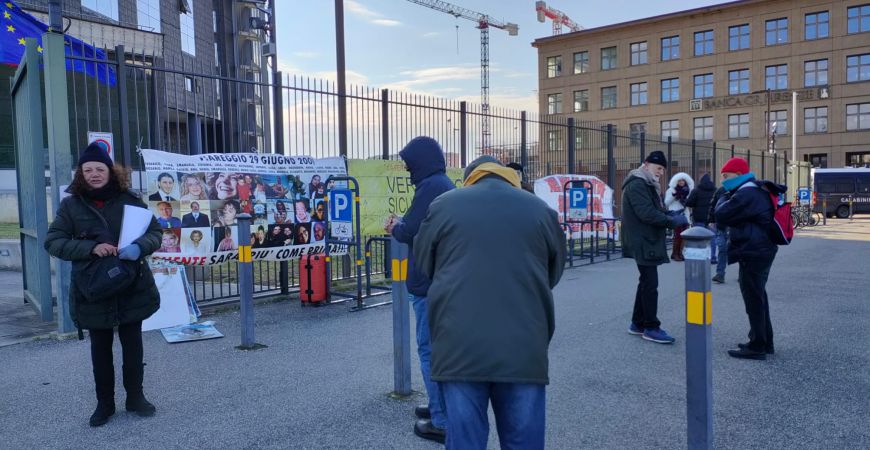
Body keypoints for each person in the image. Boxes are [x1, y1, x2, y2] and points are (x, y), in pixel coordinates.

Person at [413, 156, 566, 449]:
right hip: (524, 347)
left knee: (466, 440)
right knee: (524, 440)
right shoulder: (540, 210)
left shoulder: (444, 206)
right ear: (509, 177)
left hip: (458, 346)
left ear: (470, 178)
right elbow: (553, 272)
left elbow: (424, 263)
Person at [44, 143, 162, 427]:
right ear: (80, 174)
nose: (94, 174)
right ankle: (105, 404)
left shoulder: (130, 200)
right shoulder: (70, 206)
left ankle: (135, 397)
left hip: (130, 284)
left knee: (133, 347)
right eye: (88, 170)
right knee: (100, 350)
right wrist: (90, 247)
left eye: (100, 169)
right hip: (93, 289)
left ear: (111, 172)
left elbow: (155, 232)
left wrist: (140, 247)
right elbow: (53, 242)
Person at [383, 136, 455, 443]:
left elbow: (409, 230)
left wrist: (393, 227)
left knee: (430, 353)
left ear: (421, 162)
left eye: (410, 163)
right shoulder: (441, 184)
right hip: (440, 281)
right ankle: (440, 407)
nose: (408, 169)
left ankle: (441, 421)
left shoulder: (431, 187)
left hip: (428, 285)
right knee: (438, 352)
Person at [714, 157, 778, 360]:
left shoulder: (746, 193)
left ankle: (757, 346)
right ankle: (764, 341)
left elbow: (721, 214)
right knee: (758, 296)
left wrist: (724, 195)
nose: (723, 181)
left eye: (726, 176)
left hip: (754, 251)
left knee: (753, 298)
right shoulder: (755, 190)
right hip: (760, 249)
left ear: (739, 175)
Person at [621, 151, 688, 344]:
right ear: (646, 164)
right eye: (658, 168)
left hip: (645, 238)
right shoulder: (638, 184)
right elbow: (646, 213)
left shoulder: (647, 183)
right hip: (643, 239)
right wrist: (671, 221)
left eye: (663, 170)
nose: (660, 172)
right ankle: (651, 326)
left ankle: (638, 323)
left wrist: (670, 215)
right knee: (650, 284)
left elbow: (654, 209)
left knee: (646, 282)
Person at [685, 173, 717, 258]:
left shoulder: (696, 191)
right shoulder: (715, 190)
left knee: (700, 237)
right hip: (711, 218)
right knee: (712, 238)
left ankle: (701, 256)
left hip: (699, 218)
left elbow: (689, 203)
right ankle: (712, 256)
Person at [664, 172, 694, 261]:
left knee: (684, 235)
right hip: (676, 215)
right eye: (679, 180)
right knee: (678, 234)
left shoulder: (687, 190)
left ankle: (680, 253)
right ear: (676, 181)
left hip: (685, 214)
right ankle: (675, 253)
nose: (681, 182)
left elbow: (689, 203)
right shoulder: (671, 190)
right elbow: (666, 203)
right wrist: (675, 196)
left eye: (683, 180)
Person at [709, 182, 729, 282]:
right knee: (722, 248)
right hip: (721, 225)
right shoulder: (721, 190)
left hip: (736, 226)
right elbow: (713, 205)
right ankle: (720, 274)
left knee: (739, 249)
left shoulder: (742, 190)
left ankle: (742, 274)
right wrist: (712, 220)